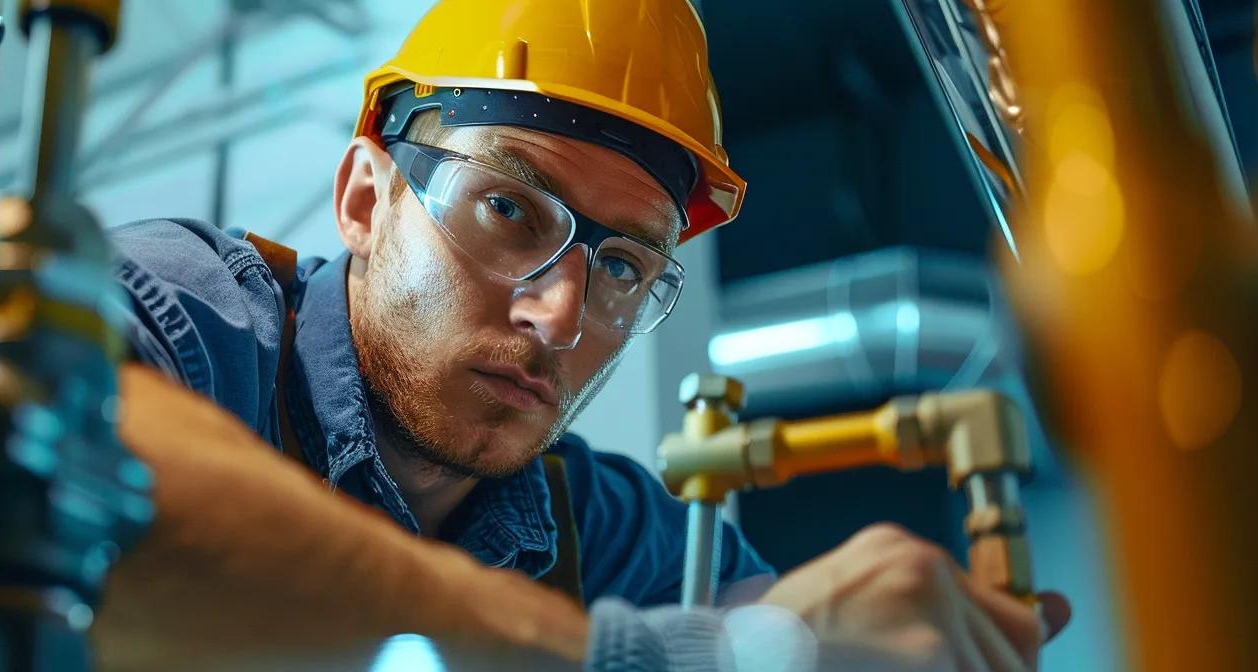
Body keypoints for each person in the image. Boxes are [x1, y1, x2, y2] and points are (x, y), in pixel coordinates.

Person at [108, 0, 1069, 668]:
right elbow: (71, 480)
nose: (561, 316)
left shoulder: (601, 532)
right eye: (510, 211)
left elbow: (777, 632)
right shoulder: (196, 325)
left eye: (619, 267)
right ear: (366, 198)